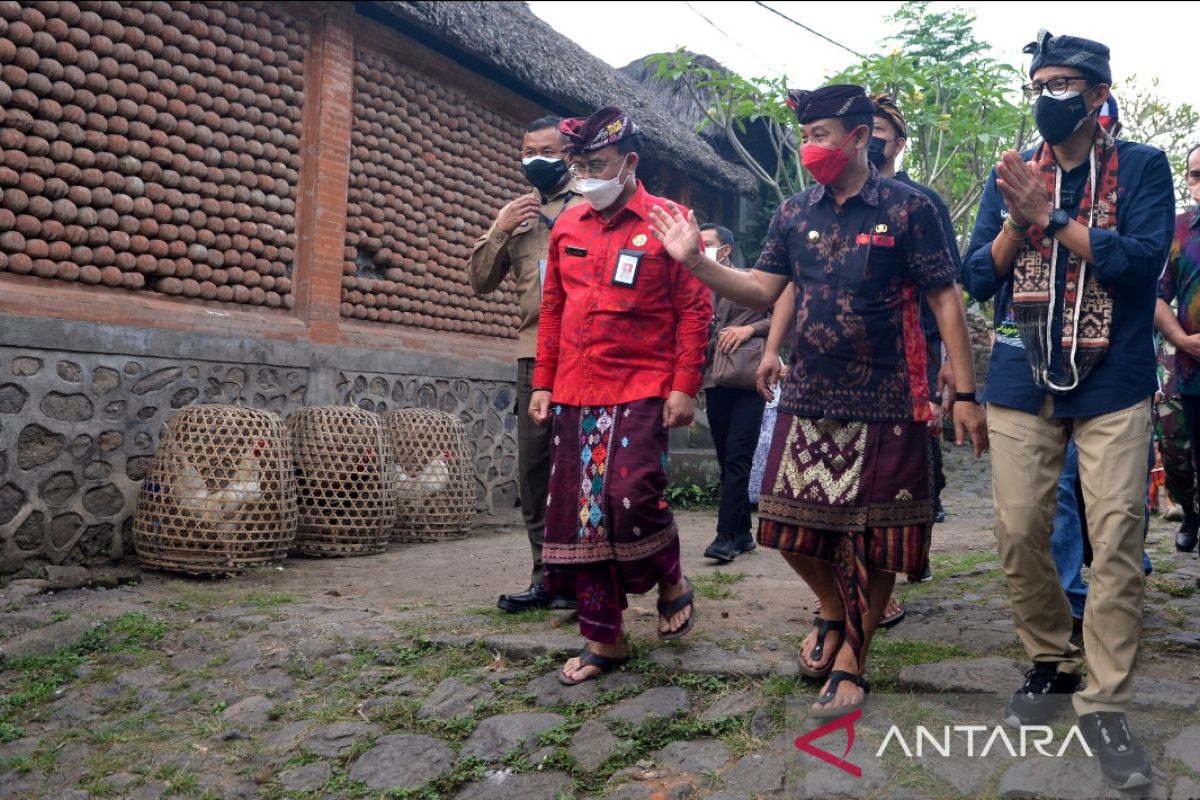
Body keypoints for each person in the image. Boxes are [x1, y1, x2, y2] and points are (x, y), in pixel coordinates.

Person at [650, 84, 986, 719]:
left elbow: (945, 298)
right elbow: (760, 287)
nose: (811, 148)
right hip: (810, 392)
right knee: (788, 530)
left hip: (892, 394)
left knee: (881, 538)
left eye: (822, 135)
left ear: (860, 137)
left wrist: (964, 392)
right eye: (805, 136)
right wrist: (695, 262)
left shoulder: (911, 208)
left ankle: (854, 654)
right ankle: (833, 609)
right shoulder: (793, 213)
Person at [961, 30, 1174, 789]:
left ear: (1096, 94)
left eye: (1062, 83)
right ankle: (1050, 657)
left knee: (1115, 535)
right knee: (1018, 527)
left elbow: (1142, 262)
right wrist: (1020, 218)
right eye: (1039, 82)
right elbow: (975, 278)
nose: (1047, 94)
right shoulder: (1011, 174)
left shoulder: (1143, 166)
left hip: (1113, 377)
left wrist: (1053, 219)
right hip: (1024, 376)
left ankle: (1105, 700)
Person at [530, 107, 710, 685]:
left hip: (642, 387)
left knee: (632, 495)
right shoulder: (568, 225)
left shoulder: (670, 221)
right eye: (578, 165)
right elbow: (553, 309)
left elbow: (693, 311)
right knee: (581, 517)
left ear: (629, 163)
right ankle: (604, 639)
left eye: (598, 165)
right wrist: (542, 381)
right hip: (575, 392)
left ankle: (672, 578)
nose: (585, 176)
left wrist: (685, 386)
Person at [469, 116, 582, 613]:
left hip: (586, 350)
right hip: (534, 353)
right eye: (528, 150)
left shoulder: (590, 202)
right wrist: (499, 229)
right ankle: (546, 575)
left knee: (579, 463)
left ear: (569, 155)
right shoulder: (515, 214)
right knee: (534, 467)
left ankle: (585, 574)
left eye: (547, 150)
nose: (536, 159)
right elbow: (478, 281)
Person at [868, 94, 964, 536]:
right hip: (857, 349)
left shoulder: (922, 201)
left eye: (879, 133)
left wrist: (950, 361)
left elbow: (949, 288)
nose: (869, 140)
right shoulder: (830, 200)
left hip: (916, 342)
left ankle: (919, 519)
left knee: (918, 435)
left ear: (899, 143)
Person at [698, 223, 770, 563]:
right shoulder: (696, 283)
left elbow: (780, 316)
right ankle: (742, 533)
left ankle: (725, 536)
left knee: (739, 457)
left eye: (707, 243)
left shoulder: (748, 279)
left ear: (725, 249)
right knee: (726, 457)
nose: (701, 247)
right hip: (713, 379)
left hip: (747, 380)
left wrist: (748, 328)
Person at [1154, 142, 1200, 553]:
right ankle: (1191, 511)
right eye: (1195, 175)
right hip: (1186, 366)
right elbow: (1157, 297)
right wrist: (1182, 339)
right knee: (1178, 453)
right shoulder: (1178, 229)